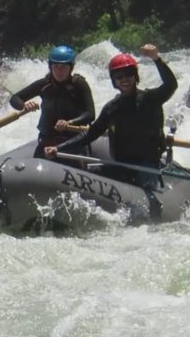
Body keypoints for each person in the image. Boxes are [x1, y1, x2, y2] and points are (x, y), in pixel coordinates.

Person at [43, 43, 177, 218]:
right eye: (119, 76)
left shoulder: (151, 99)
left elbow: (171, 85)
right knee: (89, 175)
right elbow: (90, 134)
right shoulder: (112, 108)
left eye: (128, 74)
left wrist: (156, 58)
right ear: (114, 81)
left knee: (149, 191)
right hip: (120, 164)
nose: (124, 79)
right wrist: (59, 149)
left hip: (148, 165)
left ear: (135, 76)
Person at [8, 44, 95, 160]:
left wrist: (69, 122)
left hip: (72, 142)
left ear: (71, 68)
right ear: (50, 66)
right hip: (46, 140)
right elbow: (14, 98)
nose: (59, 71)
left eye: (63, 67)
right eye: (56, 66)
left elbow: (90, 114)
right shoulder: (44, 84)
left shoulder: (79, 85)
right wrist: (24, 105)